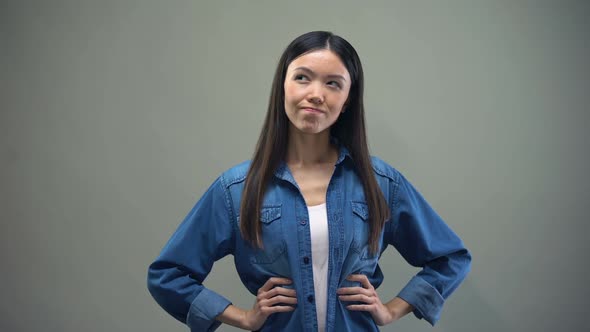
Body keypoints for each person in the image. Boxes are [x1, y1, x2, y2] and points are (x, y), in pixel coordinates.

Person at [147, 31, 471, 332]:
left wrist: (391, 310)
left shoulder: (381, 183)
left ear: (347, 100)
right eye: (302, 78)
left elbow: (450, 259)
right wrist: (243, 318)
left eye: (333, 84)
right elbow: (168, 275)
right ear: (283, 87)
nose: (316, 94)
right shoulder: (237, 189)